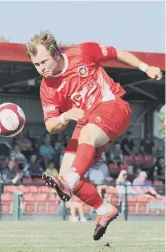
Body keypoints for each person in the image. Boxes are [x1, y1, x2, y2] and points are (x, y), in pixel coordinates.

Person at [25, 31, 162, 241]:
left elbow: (117, 53)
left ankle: (69, 184)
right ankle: (104, 209)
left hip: (113, 106)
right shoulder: (47, 88)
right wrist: (65, 117)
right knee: (64, 175)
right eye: (36, 64)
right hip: (87, 122)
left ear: (56, 53)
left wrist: (145, 67)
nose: (40, 68)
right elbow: (51, 124)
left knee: (71, 174)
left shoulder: (83, 51)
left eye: (43, 61)